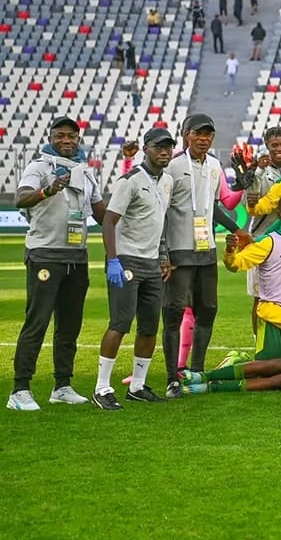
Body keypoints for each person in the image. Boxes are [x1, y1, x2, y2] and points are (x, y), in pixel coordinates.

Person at [8, 117, 106, 411]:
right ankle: (20, 390)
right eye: (61, 135)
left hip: (77, 257)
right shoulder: (39, 167)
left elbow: (102, 214)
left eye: (72, 136)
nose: (67, 140)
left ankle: (62, 385)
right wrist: (46, 191)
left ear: (78, 139)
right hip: (45, 254)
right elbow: (20, 198)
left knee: (69, 326)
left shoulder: (85, 172)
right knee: (36, 323)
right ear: (51, 137)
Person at [91, 128, 176, 410]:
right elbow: (108, 221)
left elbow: (160, 224)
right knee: (120, 323)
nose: (164, 151)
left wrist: (163, 256)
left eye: (168, 147)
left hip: (152, 263)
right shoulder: (129, 181)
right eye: (158, 147)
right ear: (146, 148)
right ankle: (102, 387)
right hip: (126, 260)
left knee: (150, 326)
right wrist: (113, 259)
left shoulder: (168, 182)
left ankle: (137, 386)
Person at [161, 115, 223, 399]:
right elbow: (160, 210)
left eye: (208, 134)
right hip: (179, 252)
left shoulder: (215, 165)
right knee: (173, 312)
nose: (204, 139)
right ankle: (172, 378)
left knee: (208, 309)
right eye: (198, 133)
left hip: (207, 252)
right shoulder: (172, 166)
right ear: (186, 135)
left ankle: (196, 370)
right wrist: (163, 252)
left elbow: (214, 208)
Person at [224, 196, 281, 360]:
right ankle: (225, 370)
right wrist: (230, 251)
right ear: (279, 215)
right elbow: (235, 264)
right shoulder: (267, 242)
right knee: (267, 372)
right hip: (272, 319)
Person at [244, 126, 281, 334]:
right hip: (260, 239)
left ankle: (279, 339)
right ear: (267, 146)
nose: (279, 149)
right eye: (274, 145)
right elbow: (250, 200)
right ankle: (258, 341)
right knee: (259, 296)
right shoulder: (257, 171)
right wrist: (257, 171)